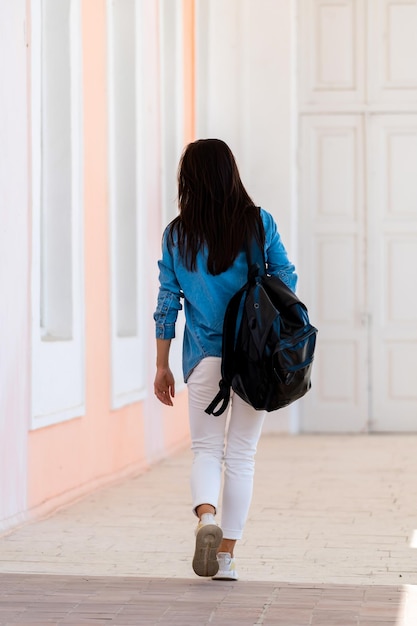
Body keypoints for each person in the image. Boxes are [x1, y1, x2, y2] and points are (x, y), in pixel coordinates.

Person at [153, 138, 297, 581]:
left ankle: (206, 518)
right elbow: (286, 277)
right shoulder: (258, 224)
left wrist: (162, 365)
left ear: (189, 181)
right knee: (241, 455)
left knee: (205, 450)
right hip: (254, 358)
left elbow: (167, 303)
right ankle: (227, 558)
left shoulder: (177, 234)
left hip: (204, 360)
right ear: (231, 172)